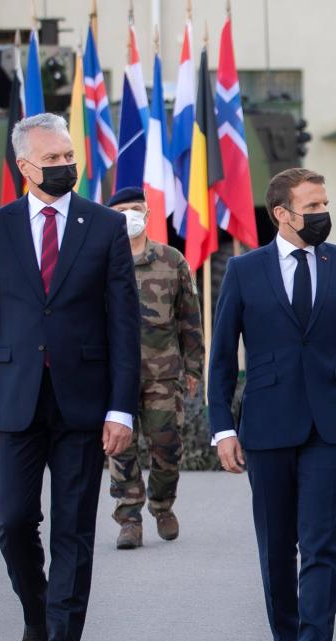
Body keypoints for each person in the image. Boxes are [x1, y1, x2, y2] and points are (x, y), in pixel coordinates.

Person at [0, 112, 140, 641]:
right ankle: (36, 618)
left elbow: (124, 325)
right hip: (12, 402)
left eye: (69, 156)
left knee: (74, 532)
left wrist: (121, 409)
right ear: (24, 167)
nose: (65, 165)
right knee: (14, 522)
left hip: (83, 405)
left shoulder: (105, 226)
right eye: (52, 159)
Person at [208, 167, 336, 641]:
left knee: (322, 544)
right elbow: (222, 358)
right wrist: (222, 428)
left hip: (330, 424)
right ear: (281, 214)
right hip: (266, 425)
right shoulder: (244, 270)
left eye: (324, 204)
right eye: (312, 207)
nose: (322, 214)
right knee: (276, 544)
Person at [104, 186, 203, 549]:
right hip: (115, 377)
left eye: (135, 209)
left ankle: (162, 506)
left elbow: (189, 318)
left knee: (167, 446)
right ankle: (129, 518)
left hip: (163, 374)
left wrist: (194, 368)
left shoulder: (171, 260)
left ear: (147, 214)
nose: (129, 216)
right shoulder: (100, 262)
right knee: (120, 449)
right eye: (121, 211)